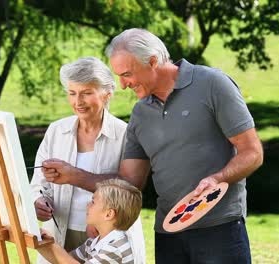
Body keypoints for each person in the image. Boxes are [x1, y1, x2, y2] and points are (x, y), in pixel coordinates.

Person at [41, 28, 264, 263]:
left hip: (220, 226)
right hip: (168, 231)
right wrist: (72, 176)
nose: (123, 85)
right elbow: (130, 182)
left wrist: (218, 178)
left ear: (153, 61)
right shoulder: (140, 113)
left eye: (127, 74)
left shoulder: (212, 84)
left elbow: (253, 152)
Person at [30, 57, 145, 263]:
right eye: (72, 93)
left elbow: (131, 187)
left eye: (86, 93)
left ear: (107, 94)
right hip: (59, 230)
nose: (78, 102)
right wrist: (38, 201)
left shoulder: (126, 135)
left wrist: (73, 176)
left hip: (107, 234)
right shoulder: (56, 131)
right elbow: (38, 183)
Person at [37, 178, 142, 264]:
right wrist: (43, 243)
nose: (87, 205)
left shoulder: (114, 248)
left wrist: (52, 245)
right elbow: (64, 259)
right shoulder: (94, 242)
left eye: (93, 202)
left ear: (108, 214)